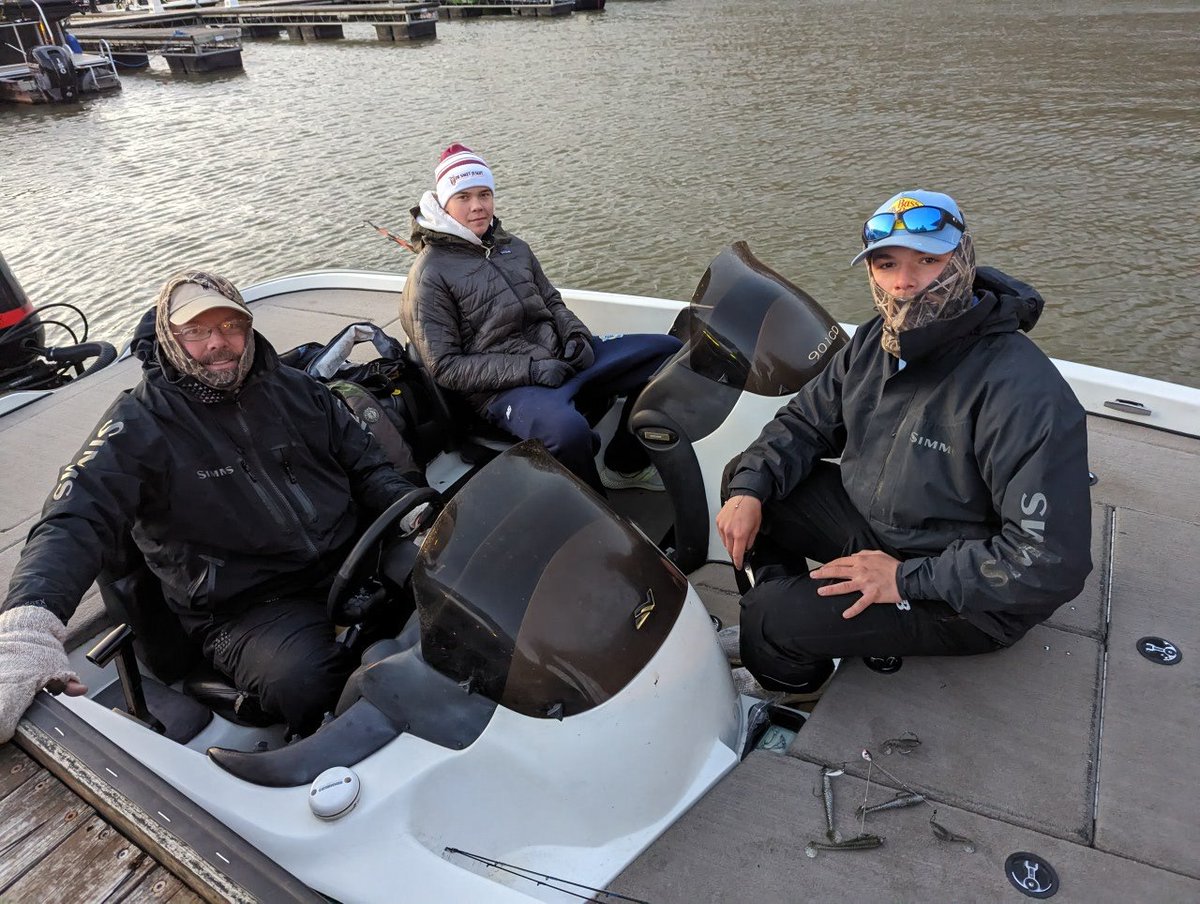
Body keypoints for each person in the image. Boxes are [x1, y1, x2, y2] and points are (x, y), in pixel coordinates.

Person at [0, 271, 419, 743]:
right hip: (244, 606)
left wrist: (414, 513)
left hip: (354, 554)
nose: (218, 343)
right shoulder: (136, 427)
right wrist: (30, 623)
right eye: (196, 331)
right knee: (309, 683)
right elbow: (74, 517)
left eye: (230, 326)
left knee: (452, 594)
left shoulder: (299, 390)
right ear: (169, 336)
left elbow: (367, 467)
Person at [716, 189, 1093, 700]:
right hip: (883, 531)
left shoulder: (1023, 390)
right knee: (748, 477)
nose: (904, 282)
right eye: (886, 262)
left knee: (768, 617)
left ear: (961, 260)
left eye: (928, 261)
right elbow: (805, 425)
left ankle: (791, 669)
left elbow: (1049, 559)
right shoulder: (873, 342)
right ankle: (795, 628)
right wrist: (750, 489)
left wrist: (905, 580)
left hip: (967, 599)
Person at [400, 143, 681, 494]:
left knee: (670, 354)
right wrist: (531, 371)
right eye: (464, 197)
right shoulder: (429, 275)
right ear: (444, 204)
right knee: (568, 432)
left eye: (485, 194)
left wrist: (576, 334)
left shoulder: (513, 247)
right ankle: (596, 509)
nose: (477, 206)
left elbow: (551, 301)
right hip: (504, 388)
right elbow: (445, 366)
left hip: (559, 356)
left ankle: (625, 464)